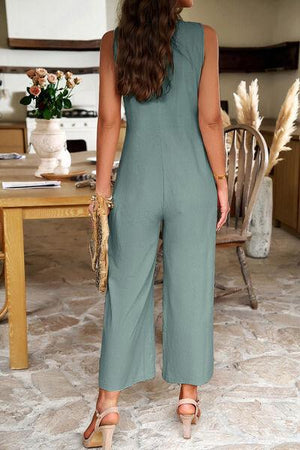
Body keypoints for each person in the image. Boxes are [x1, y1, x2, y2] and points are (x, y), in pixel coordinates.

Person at [83, 0, 229, 447]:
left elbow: (110, 121)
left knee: (126, 286)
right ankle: (188, 397)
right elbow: (209, 119)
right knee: (191, 283)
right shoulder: (203, 37)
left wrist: (102, 192)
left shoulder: (113, 43)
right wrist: (222, 181)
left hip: (137, 182)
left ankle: (107, 404)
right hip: (192, 182)